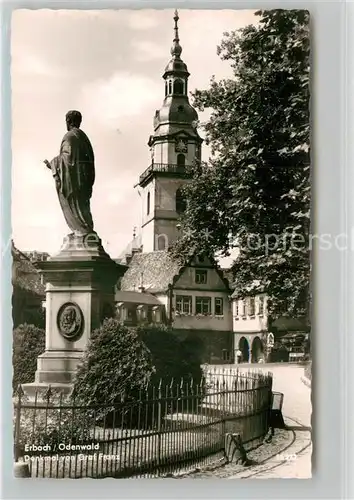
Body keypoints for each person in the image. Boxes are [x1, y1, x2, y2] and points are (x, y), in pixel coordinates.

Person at [44, 110, 95, 236]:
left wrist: (52, 164)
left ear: (68, 121)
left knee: (76, 207)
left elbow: (67, 159)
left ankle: (81, 230)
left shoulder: (70, 136)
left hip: (74, 182)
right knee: (83, 207)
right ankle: (85, 229)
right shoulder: (83, 137)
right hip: (83, 180)